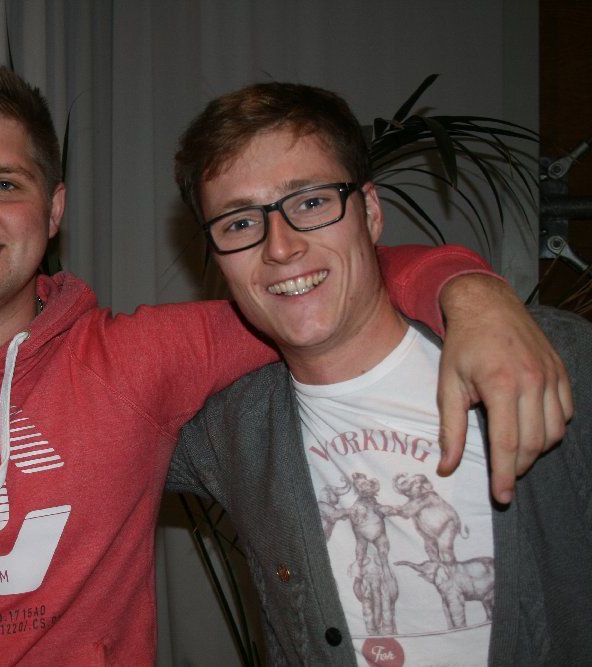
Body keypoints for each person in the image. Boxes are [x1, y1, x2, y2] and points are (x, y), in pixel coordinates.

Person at [0, 60, 570, 665]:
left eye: (3, 183)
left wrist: (470, 292)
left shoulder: (139, 358)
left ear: (52, 211)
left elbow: (309, 284)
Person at [166, 81, 589, 666]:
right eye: (239, 224)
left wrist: (469, 291)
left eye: (311, 203)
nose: (280, 248)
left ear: (368, 212)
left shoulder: (550, 356)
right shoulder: (227, 432)